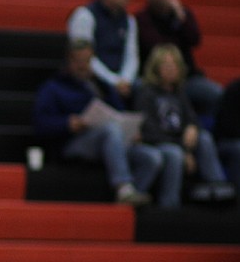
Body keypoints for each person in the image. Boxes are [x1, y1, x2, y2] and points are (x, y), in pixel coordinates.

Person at [32, 39, 159, 205]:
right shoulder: (54, 87)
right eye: (79, 61)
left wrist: (131, 130)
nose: (83, 66)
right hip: (74, 142)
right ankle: (123, 188)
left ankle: (132, 199)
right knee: (111, 130)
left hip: (111, 142)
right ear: (69, 61)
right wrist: (67, 123)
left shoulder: (100, 85)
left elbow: (120, 112)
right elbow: (40, 124)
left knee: (151, 157)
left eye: (87, 61)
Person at [136, 43, 234, 208]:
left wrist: (193, 128)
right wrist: (184, 149)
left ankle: (217, 185)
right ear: (156, 68)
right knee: (174, 154)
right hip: (159, 144)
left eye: (175, 65)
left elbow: (192, 119)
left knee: (203, 137)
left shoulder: (179, 93)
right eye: (167, 65)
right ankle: (169, 204)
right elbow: (148, 132)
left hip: (178, 142)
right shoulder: (146, 93)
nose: (171, 69)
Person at [135, 0, 223, 122]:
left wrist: (180, 17)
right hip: (157, 83)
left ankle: (213, 133)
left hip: (187, 78)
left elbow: (195, 39)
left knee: (219, 94)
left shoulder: (182, 14)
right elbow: (157, 47)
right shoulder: (142, 19)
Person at [67, 0, 139, 103]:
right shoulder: (85, 16)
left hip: (122, 80)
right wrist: (113, 81)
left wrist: (126, 80)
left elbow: (132, 55)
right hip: (94, 77)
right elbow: (83, 57)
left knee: (143, 88)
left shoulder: (129, 20)